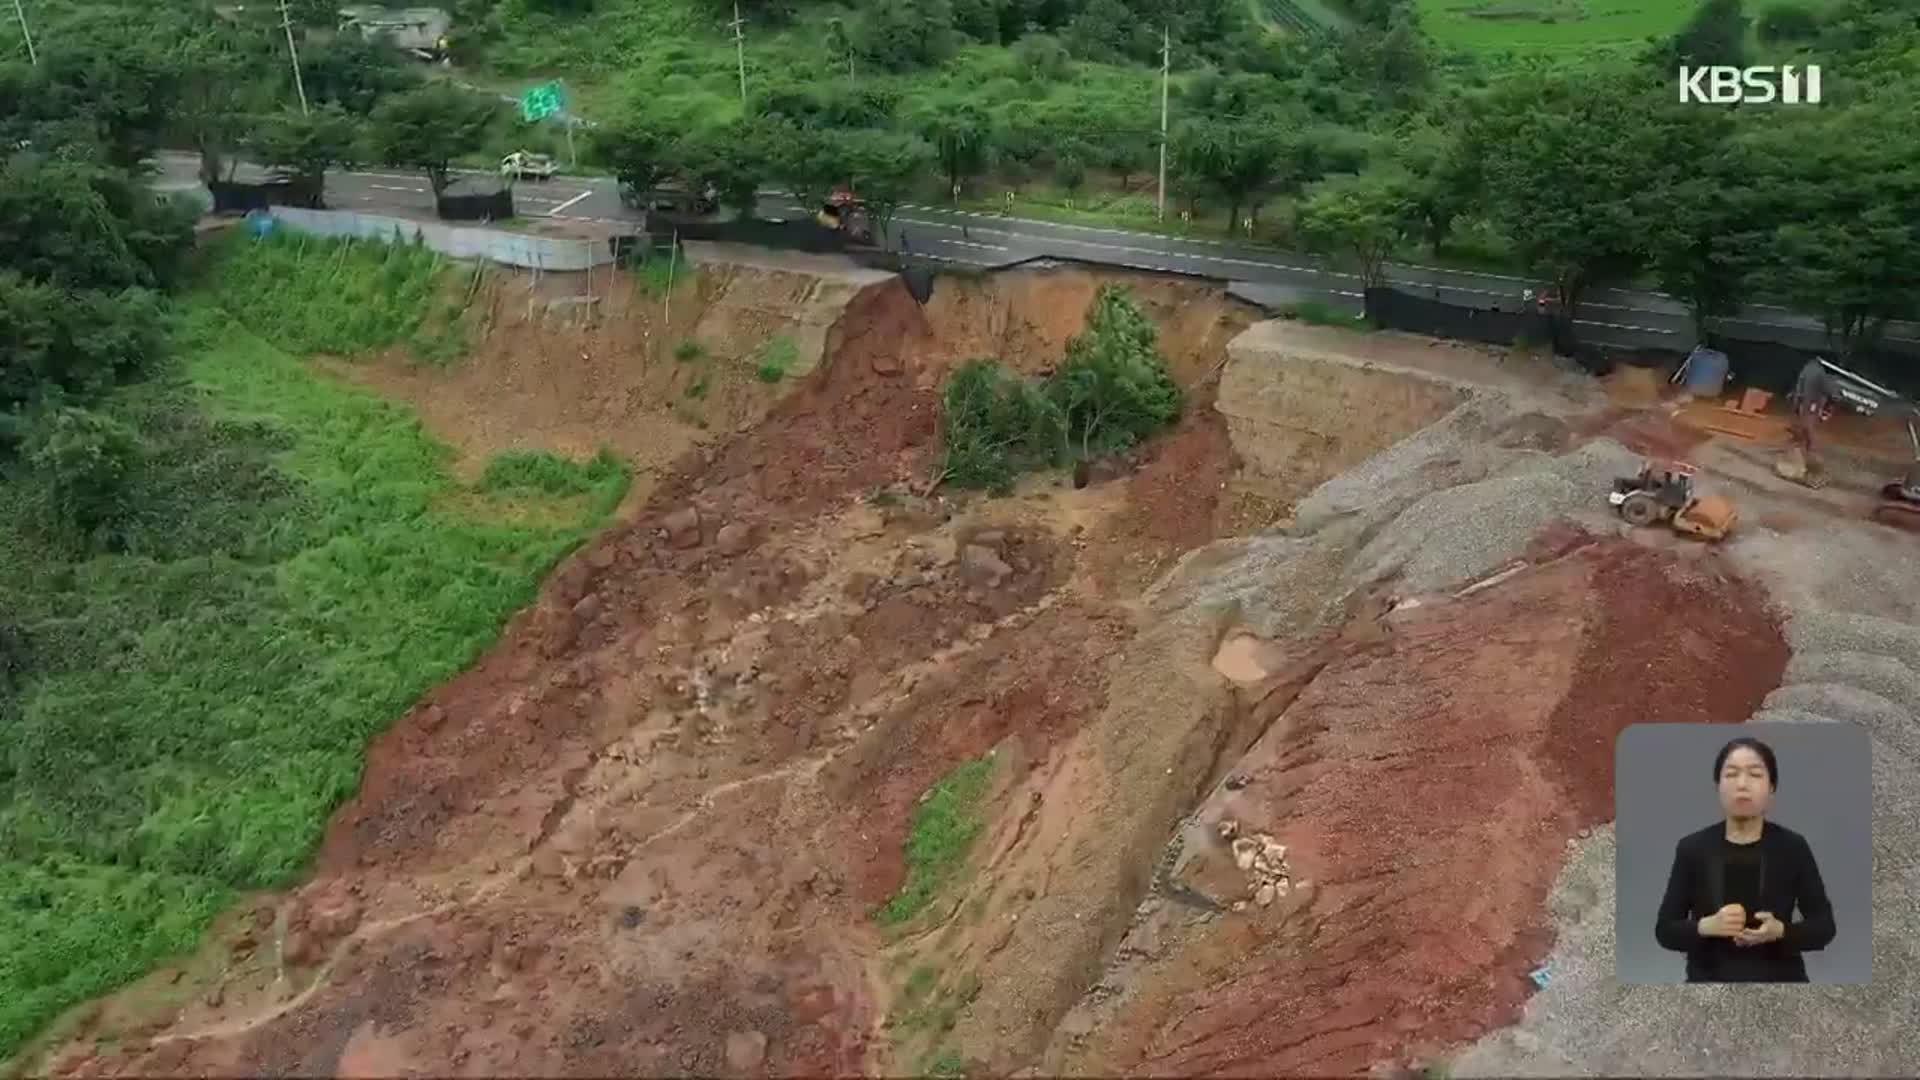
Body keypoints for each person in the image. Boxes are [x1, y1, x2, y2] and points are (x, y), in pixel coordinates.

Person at [1654, 737, 1836, 982]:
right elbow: (1665, 930)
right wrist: (1707, 926)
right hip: (1708, 988)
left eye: (1755, 774)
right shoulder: (1692, 848)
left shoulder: (1792, 847)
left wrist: (1781, 931)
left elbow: (1824, 927)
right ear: (1717, 785)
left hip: (1781, 984)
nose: (1742, 784)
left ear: (1772, 787)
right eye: (1731, 774)